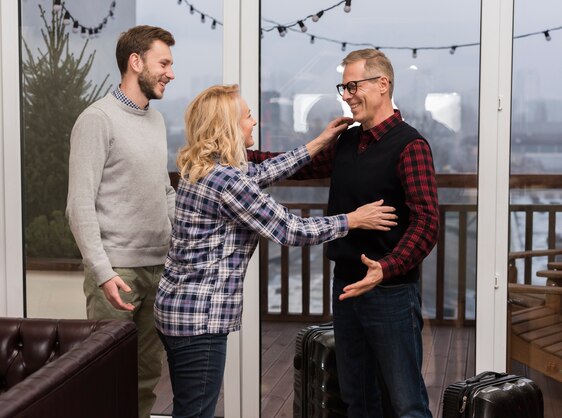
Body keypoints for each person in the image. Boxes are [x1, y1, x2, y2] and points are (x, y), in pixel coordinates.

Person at [153, 84, 398, 418]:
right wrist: (352, 220)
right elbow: (289, 229)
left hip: (178, 308)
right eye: (248, 116)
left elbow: (264, 171)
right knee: (195, 412)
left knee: (189, 407)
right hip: (199, 318)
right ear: (229, 125)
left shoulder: (205, 169)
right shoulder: (227, 182)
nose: (253, 122)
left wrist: (319, 143)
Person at [249, 48, 439, 418]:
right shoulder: (348, 141)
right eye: (344, 87)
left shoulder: (410, 145)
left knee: (407, 404)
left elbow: (427, 223)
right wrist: (234, 157)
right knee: (357, 398)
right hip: (346, 287)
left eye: (353, 86)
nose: (346, 95)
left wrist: (385, 268)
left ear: (382, 84)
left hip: (390, 292)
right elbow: (293, 165)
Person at [66, 25, 176, 418]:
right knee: (108, 379)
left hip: (158, 268)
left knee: (146, 377)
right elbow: (78, 206)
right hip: (117, 273)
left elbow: (164, 191)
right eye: (164, 62)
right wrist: (102, 272)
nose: (170, 72)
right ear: (136, 62)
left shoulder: (156, 121)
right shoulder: (97, 120)